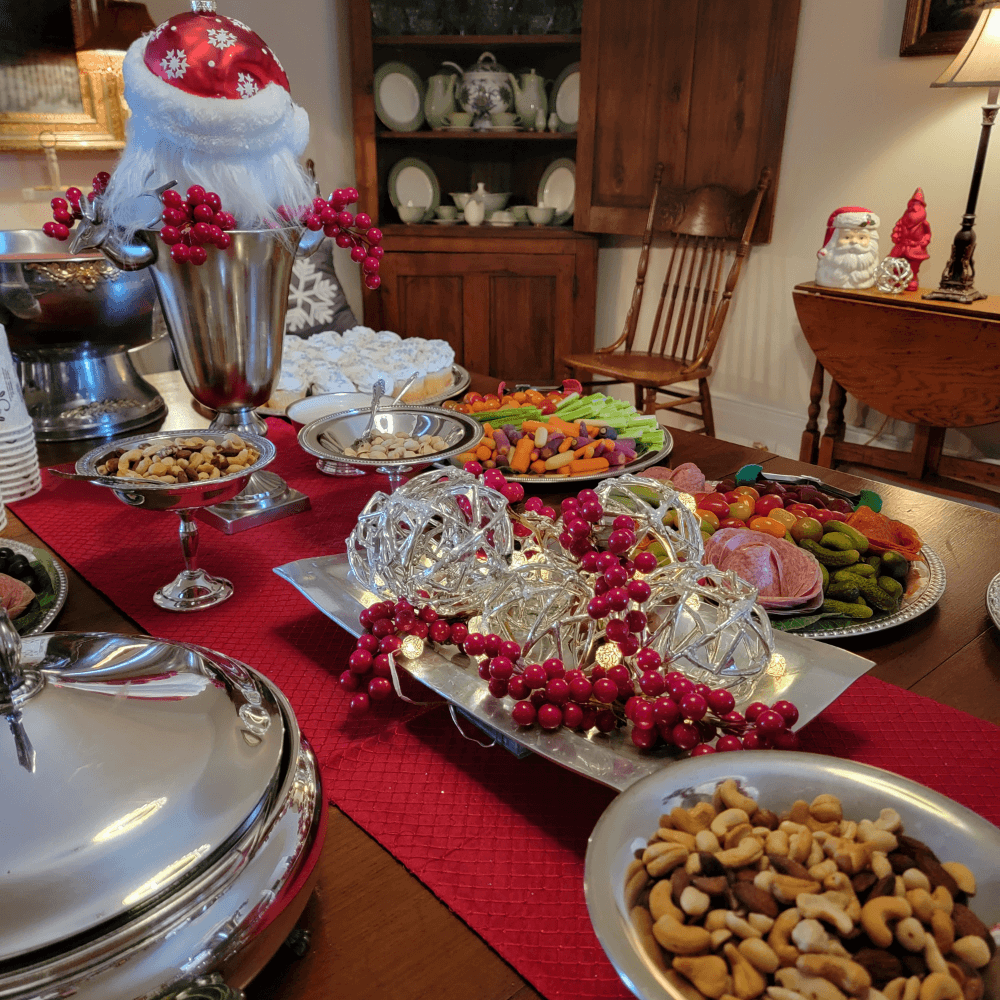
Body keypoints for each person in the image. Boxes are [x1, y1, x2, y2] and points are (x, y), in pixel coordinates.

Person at [815, 207, 880, 289]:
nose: (854, 241)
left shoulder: (872, 263)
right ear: (835, 240)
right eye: (847, 237)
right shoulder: (828, 260)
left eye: (861, 238)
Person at [889, 188, 931, 292]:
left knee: (913, 267)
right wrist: (896, 236)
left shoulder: (924, 223)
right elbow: (897, 229)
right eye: (913, 204)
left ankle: (912, 280)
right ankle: (897, 278)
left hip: (915, 248)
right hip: (901, 247)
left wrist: (924, 241)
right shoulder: (903, 220)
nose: (914, 207)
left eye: (917, 204)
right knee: (897, 264)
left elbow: (927, 234)